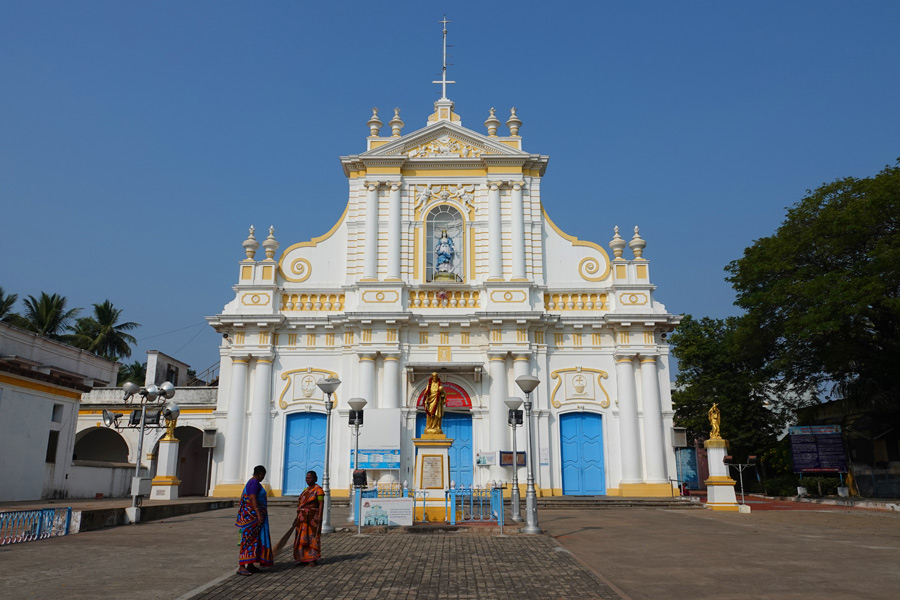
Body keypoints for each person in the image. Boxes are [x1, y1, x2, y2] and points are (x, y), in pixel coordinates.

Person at [235, 465, 273, 576]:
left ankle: (250, 565)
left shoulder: (253, 483)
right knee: (247, 541)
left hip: (253, 518)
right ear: (260, 474)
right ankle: (242, 566)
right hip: (250, 518)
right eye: (263, 476)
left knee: (254, 540)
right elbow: (252, 498)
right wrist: (258, 513)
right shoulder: (254, 483)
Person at [293, 470, 324, 567]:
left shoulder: (318, 490)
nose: (308, 480)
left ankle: (313, 559)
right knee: (301, 538)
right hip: (302, 518)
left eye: (310, 478)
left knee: (312, 538)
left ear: (315, 479)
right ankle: (303, 559)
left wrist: (319, 516)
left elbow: (321, 504)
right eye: (306, 478)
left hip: (312, 518)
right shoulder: (305, 490)